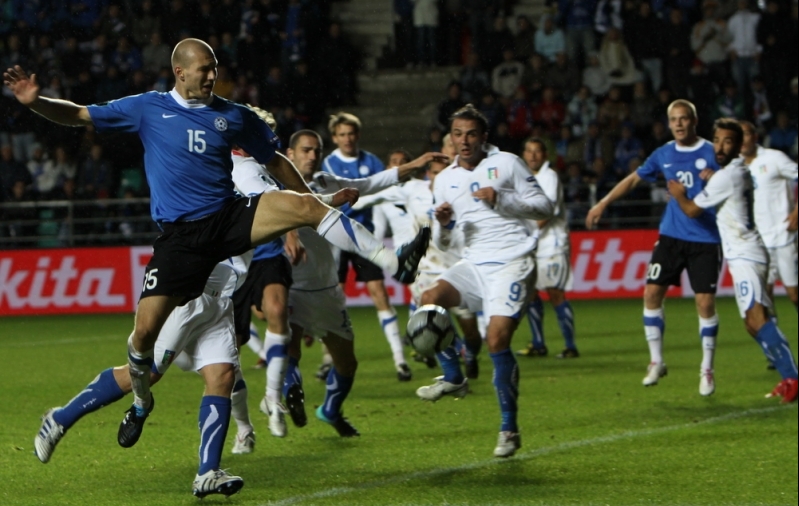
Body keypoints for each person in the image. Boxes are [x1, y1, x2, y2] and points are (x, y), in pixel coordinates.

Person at [4, 38, 429, 460]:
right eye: (204, 69)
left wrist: (313, 205)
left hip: (223, 270)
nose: (212, 76)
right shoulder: (152, 109)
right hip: (187, 263)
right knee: (144, 359)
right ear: (181, 72)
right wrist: (36, 101)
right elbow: (80, 114)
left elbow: (280, 165)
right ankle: (82, 414)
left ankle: (396, 263)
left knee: (224, 373)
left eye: (215, 68)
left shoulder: (234, 123)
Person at [33, 255, 254, 498]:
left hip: (221, 299)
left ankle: (207, 473)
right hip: (187, 295)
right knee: (142, 374)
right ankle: (60, 419)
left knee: (222, 377)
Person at [278, 130, 448, 435]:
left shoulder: (325, 182)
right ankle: (292, 395)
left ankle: (329, 410)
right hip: (288, 285)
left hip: (326, 290)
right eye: (305, 150)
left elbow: (370, 184)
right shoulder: (272, 188)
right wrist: (289, 232)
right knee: (290, 348)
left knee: (347, 365)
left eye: (316, 150)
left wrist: (417, 163)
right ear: (290, 155)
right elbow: (280, 211)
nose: (312, 156)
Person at [416, 105, 554, 458]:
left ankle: (509, 428)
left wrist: (502, 199)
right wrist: (444, 225)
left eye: (471, 134)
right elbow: (446, 243)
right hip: (474, 263)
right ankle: (453, 375)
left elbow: (544, 207)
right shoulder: (444, 178)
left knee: (496, 340)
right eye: (458, 134)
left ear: (484, 137)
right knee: (428, 300)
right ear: (450, 138)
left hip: (512, 262)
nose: (464, 141)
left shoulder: (507, 163)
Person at [586, 100, 722, 395]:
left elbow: (737, 182)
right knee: (651, 293)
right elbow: (634, 179)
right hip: (671, 236)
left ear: (694, 121)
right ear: (669, 122)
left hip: (706, 239)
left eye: (684, 118)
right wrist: (603, 203)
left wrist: (718, 178)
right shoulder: (663, 154)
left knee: (705, 303)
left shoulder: (713, 152)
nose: (679, 124)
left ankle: (707, 368)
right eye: (674, 119)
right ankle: (656, 361)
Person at [668, 119, 798, 403]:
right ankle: (787, 375)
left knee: (757, 319)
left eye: (728, 141)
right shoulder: (736, 171)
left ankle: (793, 378)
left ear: (739, 145)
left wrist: (678, 193)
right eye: (716, 140)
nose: (720, 146)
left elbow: (691, 210)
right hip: (747, 252)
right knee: (752, 324)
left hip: (746, 255)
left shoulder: (727, 176)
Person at [322, 112, 415, 381]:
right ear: (335, 138)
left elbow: (381, 194)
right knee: (332, 299)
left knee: (379, 294)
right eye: (342, 134)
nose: (347, 139)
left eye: (351, 133)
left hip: (364, 238)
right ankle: (328, 359)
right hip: (335, 236)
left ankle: (400, 360)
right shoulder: (328, 163)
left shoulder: (371, 161)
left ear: (357, 135)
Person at [517, 139, 578, 359]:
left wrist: (527, 234)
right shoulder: (523, 179)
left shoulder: (549, 177)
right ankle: (538, 343)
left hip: (551, 244)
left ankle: (570, 346)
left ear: (544, 155)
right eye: (529, 151)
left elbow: (547, 211)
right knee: (531, 294)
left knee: (555, 293)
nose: (532, 156)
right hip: (532, 246)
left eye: (537, 151)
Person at [739, 121, 798, 311]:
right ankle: (775, 340)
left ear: (755, 137)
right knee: (764, 295)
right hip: (758, 240)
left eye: (746, 134)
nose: (742, 139)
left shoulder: (774, 158)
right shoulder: (734, 167)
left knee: (794, 294)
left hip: (784, 235)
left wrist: (797, 212)